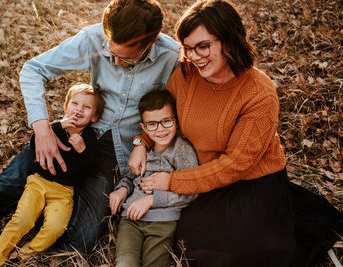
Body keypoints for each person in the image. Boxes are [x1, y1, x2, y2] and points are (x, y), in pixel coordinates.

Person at [0, 0, 180, 257]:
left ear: (152, 41)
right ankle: (1, 185)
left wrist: (142, 142)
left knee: (80, 242)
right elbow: (33, 70)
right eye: (112, 54)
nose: (117, 62)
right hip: (79, 129)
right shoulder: (95, 38)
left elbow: (170, 113)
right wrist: (43, 130)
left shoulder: (170, 56)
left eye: (125, 57)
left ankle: (17, 182)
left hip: (115, 149)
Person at [129, 0, 343, 266]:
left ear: (229, 40)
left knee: (241, 255)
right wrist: (142, 142)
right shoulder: (185, 74)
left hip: (250, 180)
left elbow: (236, 165)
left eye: (203, 46)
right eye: (187, 48)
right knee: (187, 237)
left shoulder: (258, 93)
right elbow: (163, 117)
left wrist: (172, 181)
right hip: (201, 172)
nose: (194, 56)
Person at [0, 84, 103, 267]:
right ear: (66, 107)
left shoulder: (89, 139)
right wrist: (57, 127)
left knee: (56, 227)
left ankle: (23, 256)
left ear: (95, 117)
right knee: (23, 219)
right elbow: (34, 144)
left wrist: (83, 151)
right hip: (38, 183)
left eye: (87, 107)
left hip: (64, 192)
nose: (79, 110)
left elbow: (92, 169)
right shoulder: (55, 128)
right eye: (75, 103)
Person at [109, 89, 198, 267]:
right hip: (131, 219)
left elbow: (191, 191)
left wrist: (152, 200)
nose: (160, 129)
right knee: (125, 263)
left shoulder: (182, 150)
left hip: (163, 223)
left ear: (176, 121)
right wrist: (122, 189)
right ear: (143, 128)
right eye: (152, 124)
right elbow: (129, 175)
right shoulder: (142, 150)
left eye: (166, 121)